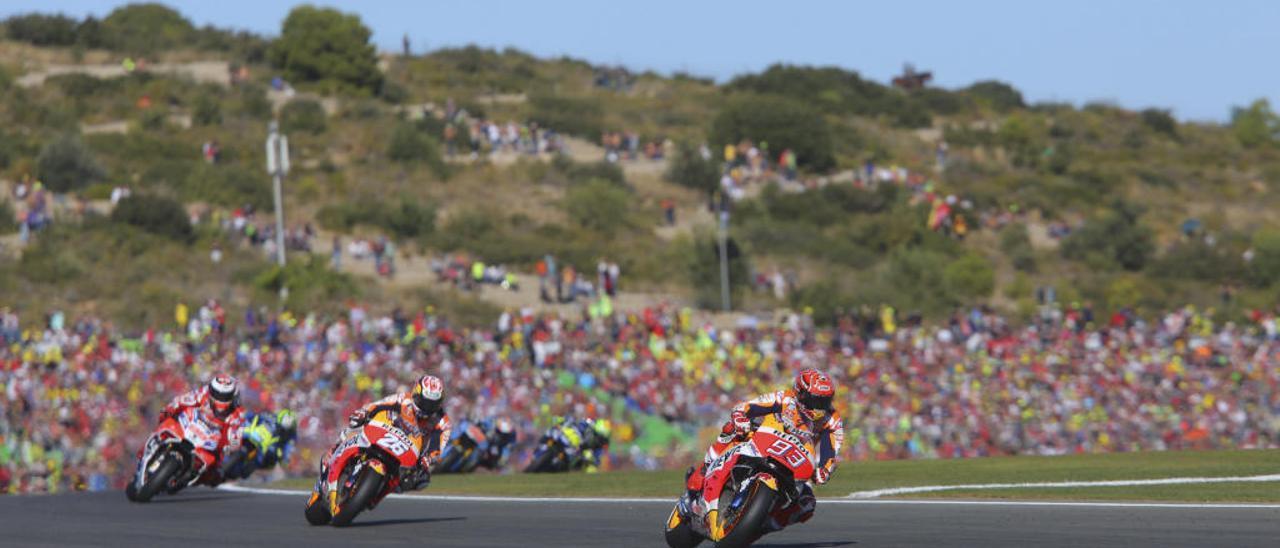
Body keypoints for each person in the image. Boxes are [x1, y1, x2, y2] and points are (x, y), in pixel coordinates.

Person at [684, 369, 843, 533]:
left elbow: (831, 449)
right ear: (800, 393)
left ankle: (763, 525)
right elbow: (747, 407)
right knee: (731, 428)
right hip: (765, 441)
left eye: (825, 401)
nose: (820, 407)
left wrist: (824, 469)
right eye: (816, 400)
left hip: (795, 461)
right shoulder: (785, 398)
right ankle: (704, 470)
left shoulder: (832, 419)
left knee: (807, 504)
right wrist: (740, 416)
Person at [333, 375, 451, 501]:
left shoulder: (443, 422)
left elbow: (438, 447)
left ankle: (380, 492)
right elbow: (378, 405)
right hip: (385, 433)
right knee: (353, 428)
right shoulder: (403, 399)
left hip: (410, 451)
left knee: (421, 481)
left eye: (432, 404)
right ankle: (335, 452)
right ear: (416, 393)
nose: (427, 408)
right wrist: (364, 413)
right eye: (424, 402)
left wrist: (428, 459)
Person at [157, 375, 245, 486]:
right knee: (164, 422)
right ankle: (150, 450)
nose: (220, 398)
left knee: (214, 472)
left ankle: (189, 478)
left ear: (233, 396)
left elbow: (236, 437)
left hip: (210, 440)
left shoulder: (237, 414)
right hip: (190, 424)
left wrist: (230, 446)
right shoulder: (203, 393)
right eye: (217, 394)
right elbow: (181, 400)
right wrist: (168, 410)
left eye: (225, 396)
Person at [226, 409, 298, 480]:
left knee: (246, 473)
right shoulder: (269, 416)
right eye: (282, 427)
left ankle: (240, 472)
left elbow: (287, 449)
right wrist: (247, 420)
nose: (283, 430)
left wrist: (282, 457)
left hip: (262, 447)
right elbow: (253, 415)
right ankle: (225, 451)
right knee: (233, 436)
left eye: (285, 429)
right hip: (250, 434)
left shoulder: (289, 435)